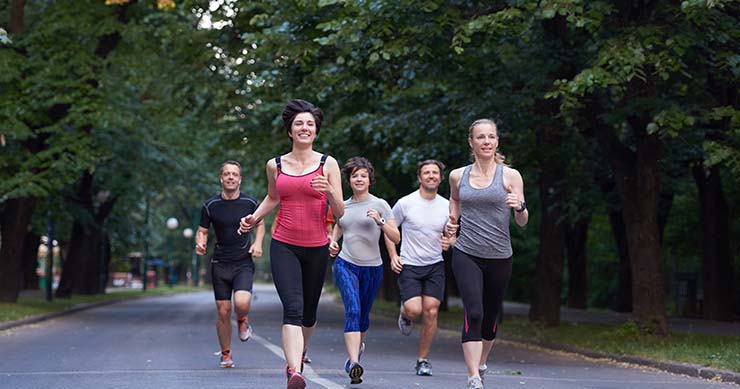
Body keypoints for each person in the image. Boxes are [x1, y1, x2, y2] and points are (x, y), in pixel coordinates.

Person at [239, 99, 344, 389]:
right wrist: (253, 218)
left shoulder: (328, 164)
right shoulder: (275, 165)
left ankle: (300, 351)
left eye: (310, 123)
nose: (304, 127)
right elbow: (273, 197)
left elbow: (340, 212)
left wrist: (331, 191)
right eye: (299, 123)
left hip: (317, 245)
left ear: (316, 130)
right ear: (290, 130)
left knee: (309, 313)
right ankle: (293, 370)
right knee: (293, 309)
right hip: (283, 243)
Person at [445, 118, 528, 389]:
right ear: (472, 142)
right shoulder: (458, 175)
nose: (486, 142)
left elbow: (523, 221)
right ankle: (473, 377)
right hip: (467, 252)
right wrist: (452, 223)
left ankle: (481, 363)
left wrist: (520, 206)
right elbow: (455, 199)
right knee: (475, 312)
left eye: (491, 137)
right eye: (480, 137)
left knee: (491, 316)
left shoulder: (510, 176)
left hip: (500, 255)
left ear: (497, 141)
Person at [328, 157, 400, 384]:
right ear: (349, 180)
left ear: (370, 179)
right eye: (354, 176)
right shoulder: (343, 205)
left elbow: (395, 236)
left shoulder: (380, 205)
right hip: (346, 263)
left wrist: (380, 222)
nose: (359, 179)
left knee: (363, 317)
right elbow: (339, 223)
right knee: (353, 310)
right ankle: (353, 363)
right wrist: (332, 241)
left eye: (363, 176)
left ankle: (356, 352)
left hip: (373, 268)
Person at [195, 160, 266, 369]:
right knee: (223, 311)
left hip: (243, 261)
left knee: (241, 303)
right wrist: (200, 242)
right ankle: (226, 354)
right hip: (220, 262)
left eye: (234, 174)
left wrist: (258, 243)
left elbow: (260, 225)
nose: (231, 177)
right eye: (227, 174)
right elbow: (202, 230)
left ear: (240, 179)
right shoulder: (210, 206)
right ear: (221, 178)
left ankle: (243, 318)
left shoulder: (250, 203)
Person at [387, 159, 453, 377]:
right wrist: (394, 255)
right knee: (415, 309)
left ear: (440, 178)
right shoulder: (406, 203)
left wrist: (449, 242)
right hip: (410, 264)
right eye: (427, 172)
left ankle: (422, 360)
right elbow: (389, 228)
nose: (431, 176)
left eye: (435, 173)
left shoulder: (447, 206)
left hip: (435, 265)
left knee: (431, 311)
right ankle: (405, 313)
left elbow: (451, 236)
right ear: (419, 177)